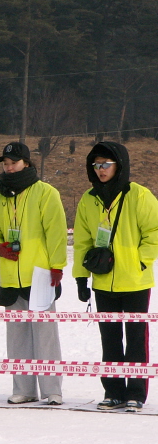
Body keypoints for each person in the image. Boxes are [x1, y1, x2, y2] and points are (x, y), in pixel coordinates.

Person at [72, 141, 158, 412]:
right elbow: (83, 241)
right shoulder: (89, 198)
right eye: (96, 164)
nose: (101, 170)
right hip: (103, 281)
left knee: (135, 339)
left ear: (119, 165)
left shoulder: (139, 196)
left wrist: (139, 262)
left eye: (106, 164)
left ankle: (135, 393)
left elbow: (154, 233)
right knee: (109, 339)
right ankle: (113, 391)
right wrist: (81, 278)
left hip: (135, 281)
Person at [0, 142, 67, 405]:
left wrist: (57, 265)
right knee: (17, 336)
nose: (8, 167)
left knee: (45, 336)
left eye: (13, 162)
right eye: (5, 163)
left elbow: (56, 231)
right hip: (10, 277)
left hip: (40, 275)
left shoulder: (45, 193)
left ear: (27, 163)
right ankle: (24, 388)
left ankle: (53, 390)